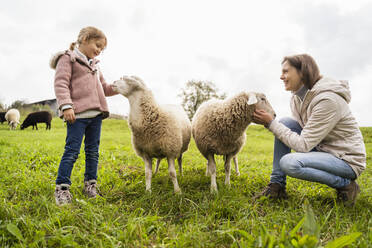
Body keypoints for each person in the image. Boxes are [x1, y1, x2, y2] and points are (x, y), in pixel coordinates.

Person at [253, 54, 366, 205]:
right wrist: (275, 123)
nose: (281, 77)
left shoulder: (328, 100)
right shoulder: (296, 98)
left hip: (346, 159)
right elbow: (302, 134)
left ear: (302, 72)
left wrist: (271, 123)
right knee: (286, 122)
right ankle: (276, 186)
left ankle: (346, 185)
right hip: (323, 149)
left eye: (286, 71)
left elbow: (303, 145)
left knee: (289, 163)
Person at [50, 26, 118, 205]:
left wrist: (119, 87)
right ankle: (62, 188)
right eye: (97, 45)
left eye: (102, 49)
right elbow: (61, 84)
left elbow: (103, 88)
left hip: (96, 115)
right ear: (85, 39)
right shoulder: (68, 59)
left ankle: (90, 185)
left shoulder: (95, 65)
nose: (99, 51)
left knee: (93, 152)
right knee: (72, 151)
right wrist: (66, 106)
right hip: (77, 115)